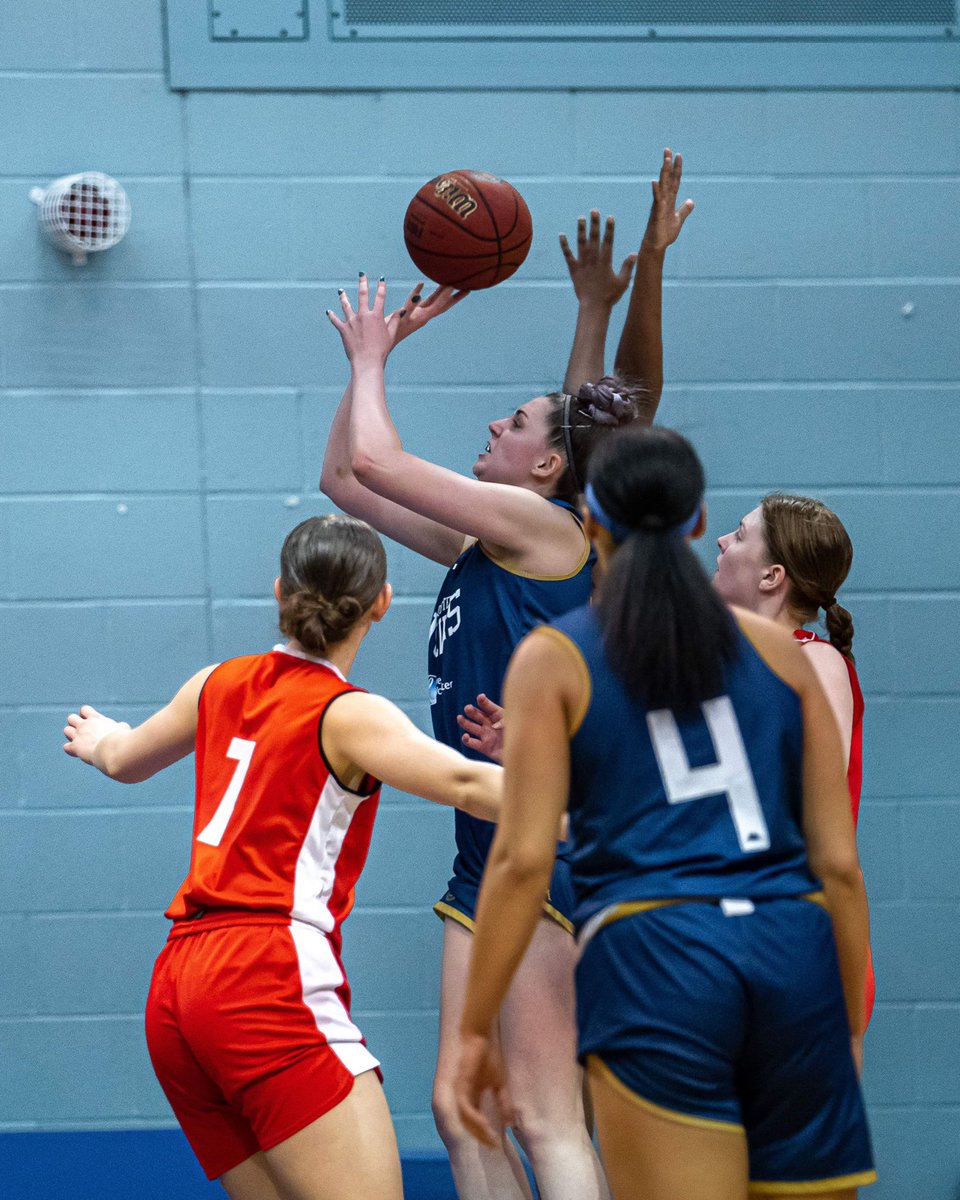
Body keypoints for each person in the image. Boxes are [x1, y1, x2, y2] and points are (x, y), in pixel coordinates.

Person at [319, 152, 693, 1200]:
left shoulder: (544, 528)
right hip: (483, 848)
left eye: (514, 422)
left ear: (545, 468)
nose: (494, 424)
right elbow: (344, 479)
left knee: (538, 1111)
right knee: (464, 1106)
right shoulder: (487, 550)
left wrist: (373, 358)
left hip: (550, 844)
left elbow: (388, 461)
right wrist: (371, 372)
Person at [455, 426, 876, 1200]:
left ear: (593, 523)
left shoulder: (560, 655)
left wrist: (475, 1028)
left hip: (661, 953)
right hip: (791, 950)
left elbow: (518, 862)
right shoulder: (782, 653)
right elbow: (838, 862)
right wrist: (845, 1013)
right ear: (694, 518)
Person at [63, 514, 503, 1200]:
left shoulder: (215, 681)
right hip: (262, 973)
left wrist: (100, 739)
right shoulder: (349, 713)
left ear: (279, 591)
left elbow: (121, 760)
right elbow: (474, 786)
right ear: (382, 602)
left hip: (178, 989)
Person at [714, 493, 875, 1030]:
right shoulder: (721, 670)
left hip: (793, 940)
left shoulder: (817, 659)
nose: (721, 542)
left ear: (771, 576)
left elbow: (801, 793)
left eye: (738, 535)